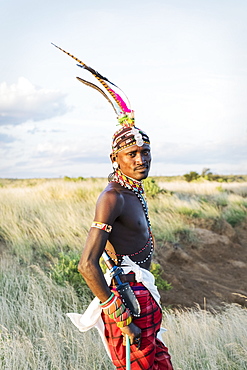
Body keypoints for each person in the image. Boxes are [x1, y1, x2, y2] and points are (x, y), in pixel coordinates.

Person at [52, 44, 173, 369]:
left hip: (142, 294)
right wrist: (121, 318)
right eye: (131, 154)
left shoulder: (134, 190)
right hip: (127, 302)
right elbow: (87, 265)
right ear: (114, 159)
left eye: (145, 152)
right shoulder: (113, 197)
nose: (140, 159)